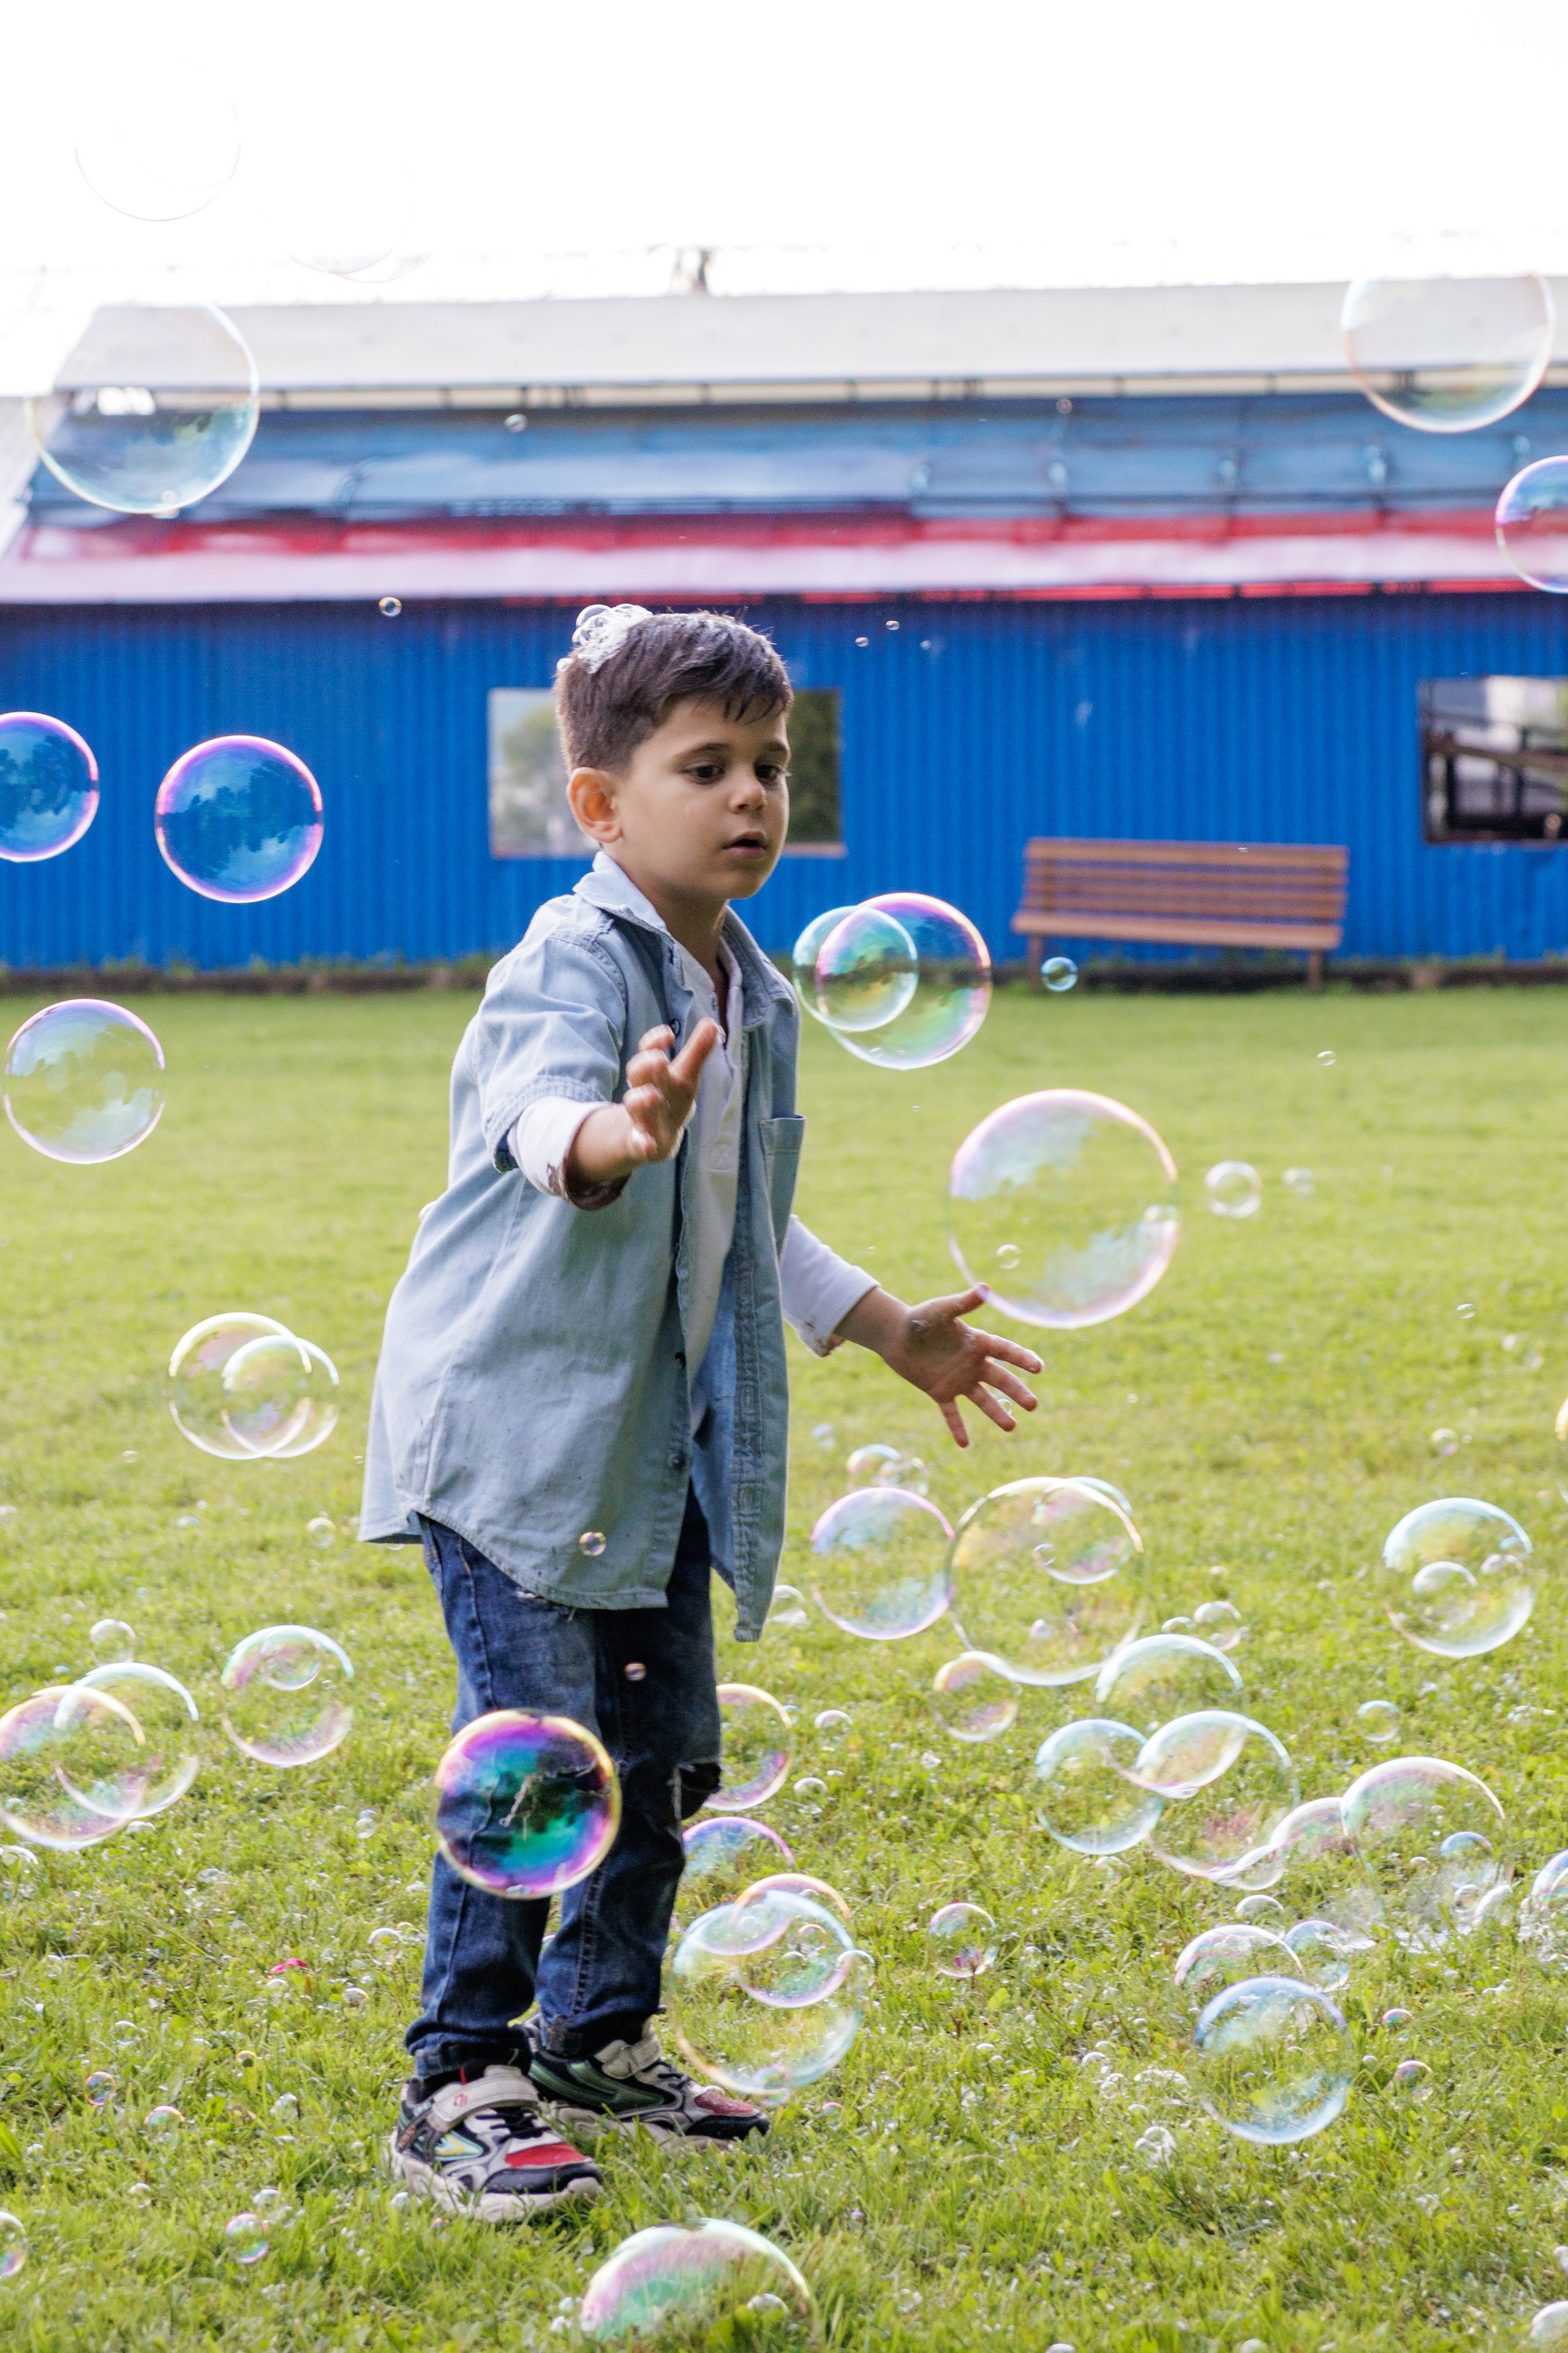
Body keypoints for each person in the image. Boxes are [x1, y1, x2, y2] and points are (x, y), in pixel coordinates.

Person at [362, 602, 1041, 2218]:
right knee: (539, 1755)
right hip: (517, 1447)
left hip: (646, 1457)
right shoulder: (570, 957)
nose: (751, 796)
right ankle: (461, 2076)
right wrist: (617, 1129)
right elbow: (540, 1117)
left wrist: (889, 1331)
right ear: (601, 805)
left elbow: (750, 1216)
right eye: (706, 766)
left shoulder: (751, 984)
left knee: (660, 1758)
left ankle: (597, 2035)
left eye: (772, 764)